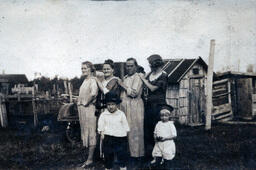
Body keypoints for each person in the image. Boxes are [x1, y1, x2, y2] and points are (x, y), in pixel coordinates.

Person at [139, 54, 168, 158]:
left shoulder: (163, 75)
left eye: (151, 64)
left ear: (156, 64)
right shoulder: (150, 74)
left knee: (159, 129)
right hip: (149, 106)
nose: (150, 66)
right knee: (148, 130)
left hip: (158, 106)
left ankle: (162, 154)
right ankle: (151, 155)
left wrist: (143, 79)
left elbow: (152, 88)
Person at [120, 58, 145, 166]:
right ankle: (129, 155)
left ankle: (137, 157)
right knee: (126, 130)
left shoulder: (139, 77)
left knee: (135, 131)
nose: (129, 68)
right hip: (124, 106)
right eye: (127, 66)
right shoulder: (125, 78)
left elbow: (133, 93)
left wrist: (122, 84)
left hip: (135, 105)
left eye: (131, 66)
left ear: (136, 66)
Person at [98, 92, 130, 170]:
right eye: (108, 105)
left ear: (116, 105)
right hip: (108, 138)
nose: (111, 107)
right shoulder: (103, 115)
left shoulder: (121, 114)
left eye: (113, 104)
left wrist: (124, 134)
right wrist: (102, 133)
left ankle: (123, 167)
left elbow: (126, 126)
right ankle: (108, 167)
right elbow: (100, 126)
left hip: (120, 138)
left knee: (121, 156)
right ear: (106, 105)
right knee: (108, 157)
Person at [77, 61, 98, 168]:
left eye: (85, 68)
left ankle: (90, 159)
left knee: (91, 132)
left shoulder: (93, 80)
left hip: (89, 109)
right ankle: (88, 157)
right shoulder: (85, 80)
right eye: (82, 68)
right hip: (83, 110)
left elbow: (93, 93)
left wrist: (86, 102)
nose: (83, 70)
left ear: (90, 69)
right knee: (85, 131)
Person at [151, 104, 177, 169]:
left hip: (168, 144)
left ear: (169, 116)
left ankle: (167, 166)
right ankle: (157, 165)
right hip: (159, 143)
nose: (164, 117)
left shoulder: (170, 125)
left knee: (167, 158)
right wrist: (155, 137)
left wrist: (165, 138)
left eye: (166, 116)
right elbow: (155, 132)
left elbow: (174, 135)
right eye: (162, 116)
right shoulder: (158, 124)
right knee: (157, 156)